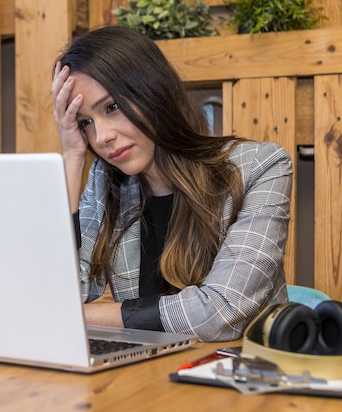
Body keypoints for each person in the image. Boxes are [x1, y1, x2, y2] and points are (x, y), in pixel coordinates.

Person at [51, 26, 292, 342]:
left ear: (152, 91)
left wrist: (79, 317)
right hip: (152, 377)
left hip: (244, 380)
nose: (102, 136)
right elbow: (64, 293)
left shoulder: (261, 167)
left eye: (112, 107)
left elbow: (220, 314)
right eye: (85, 123)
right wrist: (71, 157)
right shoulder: (108, 181)